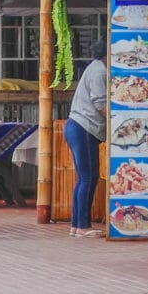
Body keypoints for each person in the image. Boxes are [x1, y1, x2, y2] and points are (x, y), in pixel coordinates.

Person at [65, 54, 108, 236]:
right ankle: (83, 226)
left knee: (84, 178)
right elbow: (102, 104)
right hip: (84, 128)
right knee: (89, 178)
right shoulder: (99, 71)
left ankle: (76, 226)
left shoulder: (95, 67)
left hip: (76, 126)